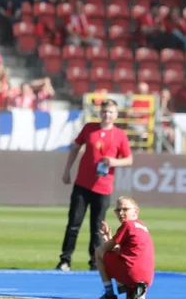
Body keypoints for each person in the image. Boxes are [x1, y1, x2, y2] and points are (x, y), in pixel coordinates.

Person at [56, 100, 133, 271]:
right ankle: (65, 260)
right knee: (73, 224)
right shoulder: (89, 128)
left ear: (116, 115)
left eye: (111, 112)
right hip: (82, 184)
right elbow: (76, 147)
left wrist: (114, 161)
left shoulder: (120, 135)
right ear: (100, 113)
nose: (107, 115)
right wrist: (67, 170)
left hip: (103, 187)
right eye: (104, 111)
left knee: (97, 227)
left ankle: (94, 261)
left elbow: (129, 159)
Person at [94, 197, 155, 299]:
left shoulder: (127, 225)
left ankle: (110, 295)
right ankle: (137, 290)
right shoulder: (142, 226)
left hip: (130, 272)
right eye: (118, 210)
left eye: (125, 209)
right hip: (147, 277)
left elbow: (106, 248)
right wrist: (108, 238)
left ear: (136, 211)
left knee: (98, 252)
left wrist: (105, 238)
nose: (121, 213)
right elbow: (122, 250)